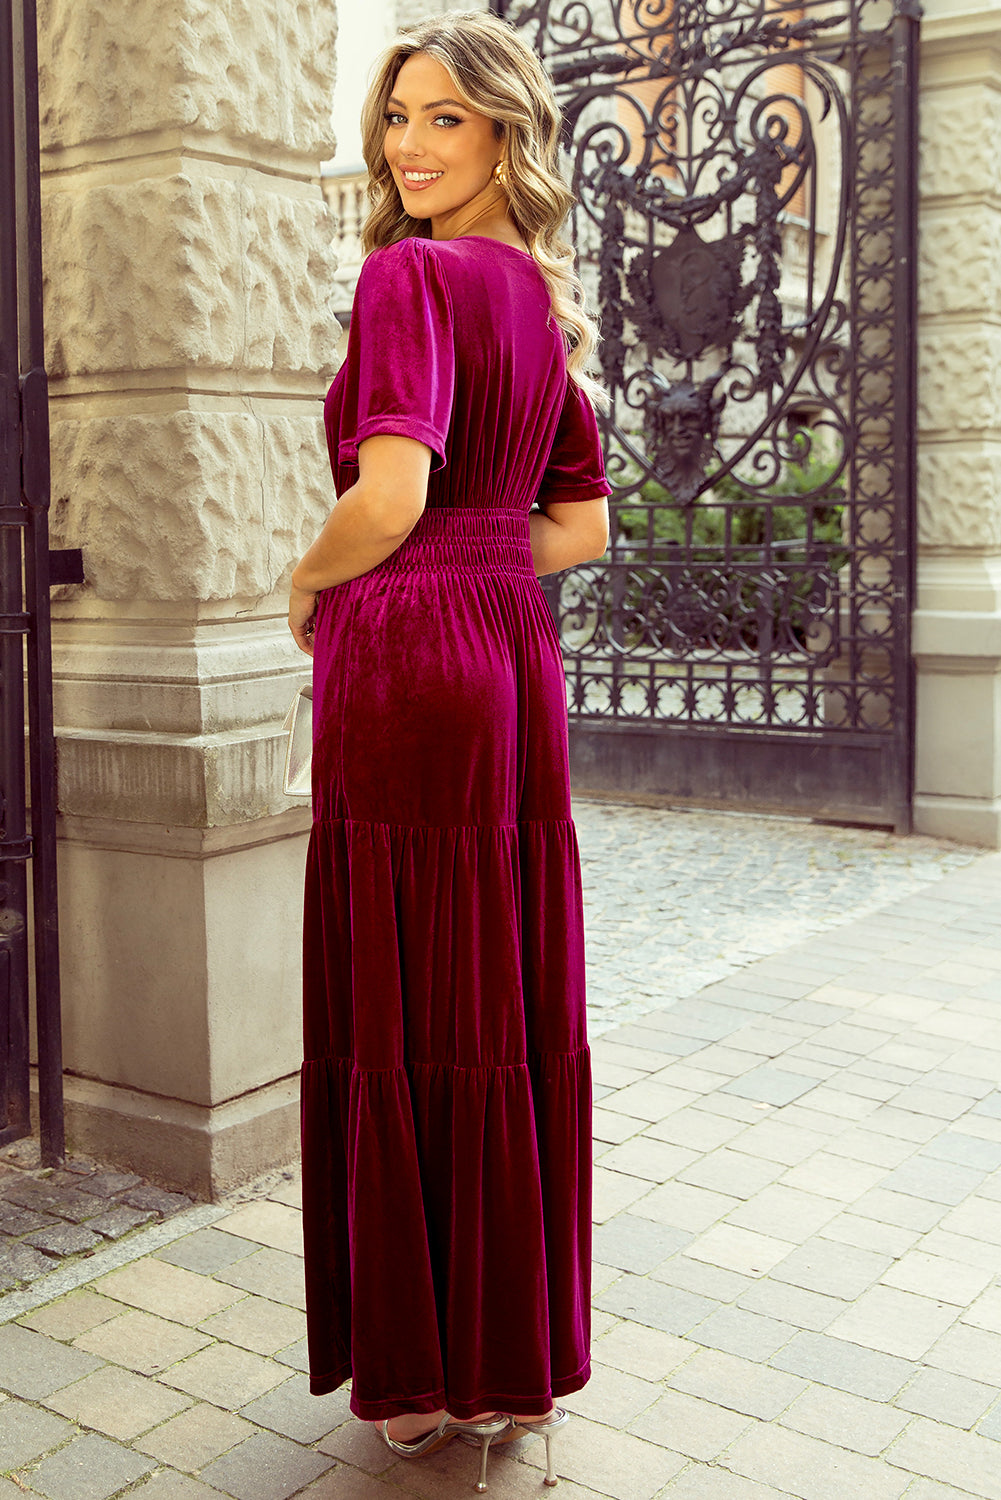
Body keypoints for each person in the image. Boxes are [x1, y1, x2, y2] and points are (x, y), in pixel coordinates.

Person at [288, 10, 610, 1492]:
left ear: (504, 135)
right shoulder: (538, 300)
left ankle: (419, 1382)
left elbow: (391, 491)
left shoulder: (409, 276)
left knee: (407, 999)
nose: (410, 146)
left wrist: (305, 578)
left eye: (444, 119)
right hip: (504, 658)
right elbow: (578, 526)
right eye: (396, 119)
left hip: (407, 655)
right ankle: (504, 1362)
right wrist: (484, 561)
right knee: (493, 983)